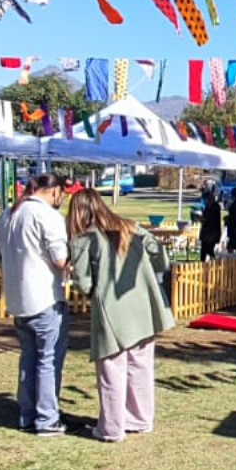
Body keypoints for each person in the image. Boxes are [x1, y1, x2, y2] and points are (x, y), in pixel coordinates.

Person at [66, 188, 175, 442]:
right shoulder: (131, 227)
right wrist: (152, 276)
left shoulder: (83, 240)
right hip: (144, 306)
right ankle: (140, 418)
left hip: (112, 310)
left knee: (111, 369)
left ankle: (112, 428)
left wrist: (94, 291)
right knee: (141, 365)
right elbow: (161, 255)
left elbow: (82, 282)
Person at [0, 174, 70, 436]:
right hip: (44, 297)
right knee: (47, 360)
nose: (64, 199)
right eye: (64, 193)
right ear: (54, 191)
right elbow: (60, 259)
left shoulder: (8, 214)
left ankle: (27, 414)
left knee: (29, 357)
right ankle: (47, 418)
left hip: (18, 298)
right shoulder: (48, 216)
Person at [199, 190, 221, 261]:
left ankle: (212, 262)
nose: (204, 202)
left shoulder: (214, 208)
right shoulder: (208, 208)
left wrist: (202, 219)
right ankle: (205, 262)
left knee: (208, 249)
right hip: (207, 233)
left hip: (211, 233)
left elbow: (210, 221)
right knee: (205, 250)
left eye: (205, 200)